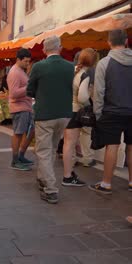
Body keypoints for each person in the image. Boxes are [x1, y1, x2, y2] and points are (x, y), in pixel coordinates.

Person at [27, 35, 83, 204]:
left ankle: (50, 189)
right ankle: (42, 177)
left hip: (45, 114)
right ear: (60, 48)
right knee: (51, 148)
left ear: (44, 50)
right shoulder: (70, 67)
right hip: (65, 114)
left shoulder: (38, 66)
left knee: (43, 151)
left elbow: (30, 91)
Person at [89, 29, 132, 194]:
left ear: (109, 43)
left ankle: (106, 184)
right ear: (126, 42)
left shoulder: (104, 63)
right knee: (131, 146)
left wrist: (98, 113)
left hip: (112, 110)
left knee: (112, 146)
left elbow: (99, 92)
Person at [62, 48, 98, 185]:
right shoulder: (85, 75)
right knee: (70, 145)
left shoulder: (73, 71)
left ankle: (69, 173)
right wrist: (90, 100)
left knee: (68, 144)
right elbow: (82, 98)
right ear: (94, 61)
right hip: (75, 111)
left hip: (66, 110)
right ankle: (67, 176)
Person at [7, 48, 35, 171]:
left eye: (28, 61)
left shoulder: (20, 71)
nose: (27, 63)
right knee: (18, 134)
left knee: (27, 133)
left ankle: (20, 157)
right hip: (19, 107)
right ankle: (15, 160)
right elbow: (13, 93)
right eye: (25, 61)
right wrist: (28, 87)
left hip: (25, 107)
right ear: (18, 59)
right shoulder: (15, 72)